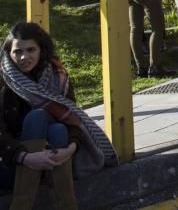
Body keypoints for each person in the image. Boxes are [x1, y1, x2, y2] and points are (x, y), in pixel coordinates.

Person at [0, 22, 117, 206]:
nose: (24, 57)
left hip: (50, 162)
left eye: (31, 50)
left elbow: (73, 123)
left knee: (58, 131)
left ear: (42, 50)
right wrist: (26, 157)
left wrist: (69, 150)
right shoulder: (3, 80)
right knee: (38, 117)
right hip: (11, 164)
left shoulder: (58, 76)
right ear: (9, 52)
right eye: (17, 52)